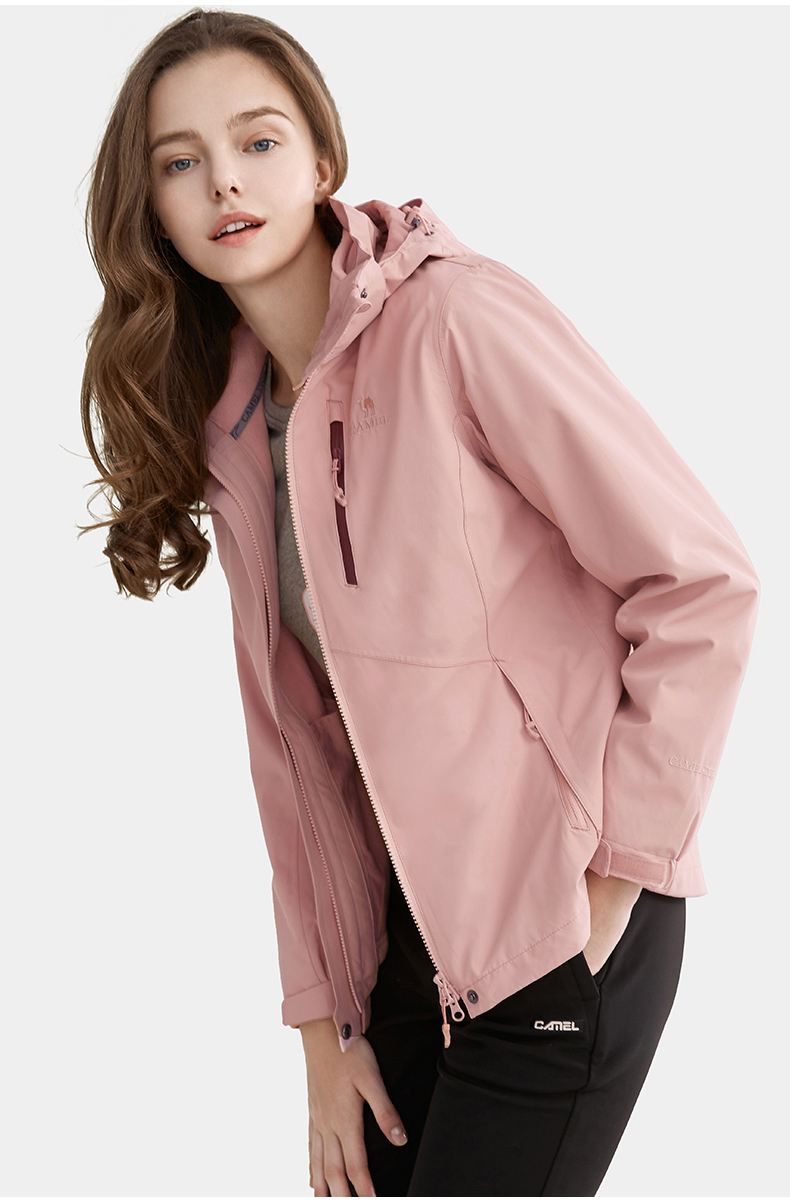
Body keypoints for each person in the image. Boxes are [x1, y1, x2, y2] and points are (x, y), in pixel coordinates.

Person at [79, 8, 760, 1197]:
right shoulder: (234, 427)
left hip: (557, 915)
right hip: (406, 937)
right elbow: (292, 753)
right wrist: (322, 1027)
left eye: (258, 141)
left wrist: (613, 880)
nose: (224, 181)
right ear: (153, 210)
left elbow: (700, 581)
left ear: (322, 161)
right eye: (181, 163)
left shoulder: (454, 319)